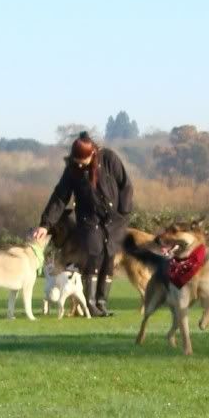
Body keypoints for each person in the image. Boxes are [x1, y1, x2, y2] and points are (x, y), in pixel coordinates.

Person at [32, 132, 133, 317]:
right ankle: (91, 303)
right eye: (76, 160)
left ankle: (102, 302)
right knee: (95, 253)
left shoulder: (110, 159)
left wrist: (124, 213)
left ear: (93, 153)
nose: (79, 164)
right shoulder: (72, 169)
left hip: (114, 219)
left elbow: (125, 186)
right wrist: (45, 224)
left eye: (83, 160)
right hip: (89, 218)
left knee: (109, 257)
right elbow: (60, 196)